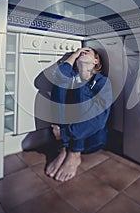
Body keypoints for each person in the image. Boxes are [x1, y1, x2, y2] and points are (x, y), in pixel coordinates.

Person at [45, 47, 112, 182]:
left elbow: (98, 119)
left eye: (88, 51)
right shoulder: (72, 81)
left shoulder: (102, 82)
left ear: (96, 61)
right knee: (61, 83)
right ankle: (64, 149)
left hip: (92, 139)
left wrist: (65, 134)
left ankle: (75, 153)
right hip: (65, 137)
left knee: (81, 88)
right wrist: (74, 55)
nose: (82, 51)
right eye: (80, 51)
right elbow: (59, 76)